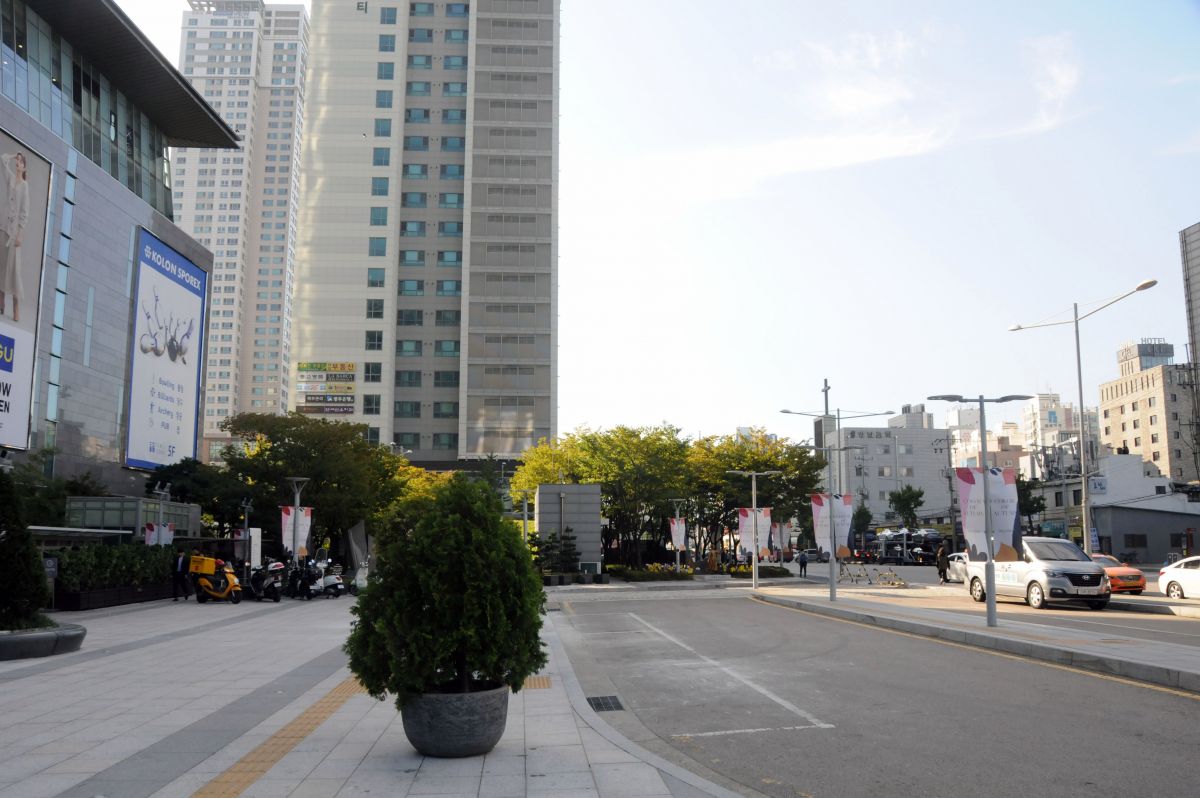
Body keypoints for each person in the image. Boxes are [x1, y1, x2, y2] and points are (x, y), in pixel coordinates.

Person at [1, 150, 30, 323]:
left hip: (14, 234)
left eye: (20, 161)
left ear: (24, 167)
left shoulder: (25, 186)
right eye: (17, 161)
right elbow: (2, 159)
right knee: (1, 265)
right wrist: (14, 155)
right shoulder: (10, 178)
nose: (18, 163)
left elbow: (25, 212)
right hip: (3, 227)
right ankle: (1, 303)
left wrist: (20, 234)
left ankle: (16, 307)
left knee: (14, 270)